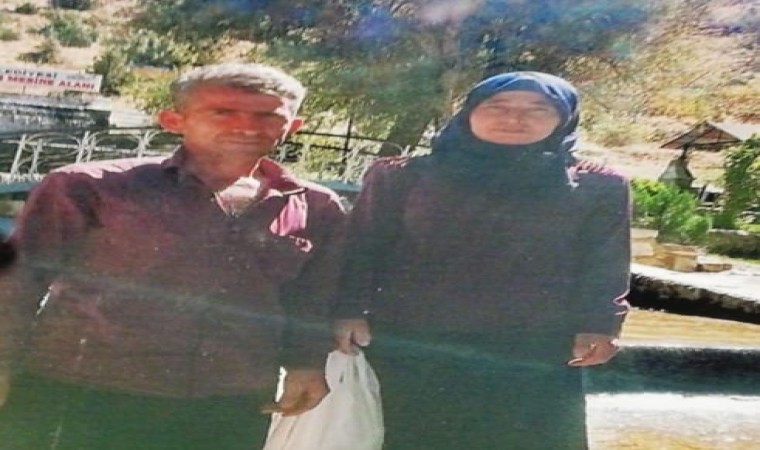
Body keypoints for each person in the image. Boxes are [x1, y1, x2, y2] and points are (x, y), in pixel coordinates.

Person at [0, 63, 345, 450]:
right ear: (173, 120)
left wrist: (305, 363)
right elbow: (18, 279)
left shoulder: (315, 206)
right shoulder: (92, 186)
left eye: (267, 115)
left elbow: (312, 296)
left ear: (293, 126)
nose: (246, 126)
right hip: (86, 389)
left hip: (230, 399)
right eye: (222, 112)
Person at [334, 71, 631, 450]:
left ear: (564, 119)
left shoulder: (599, 185)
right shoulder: (402, 176)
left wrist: (601, 324)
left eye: (538, 109)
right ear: (469, 112)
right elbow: (362, 247)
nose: (515, 119)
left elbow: (605, 262)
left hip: (533, 348)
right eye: (497, 106)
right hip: (414, 340)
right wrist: (348, 310)